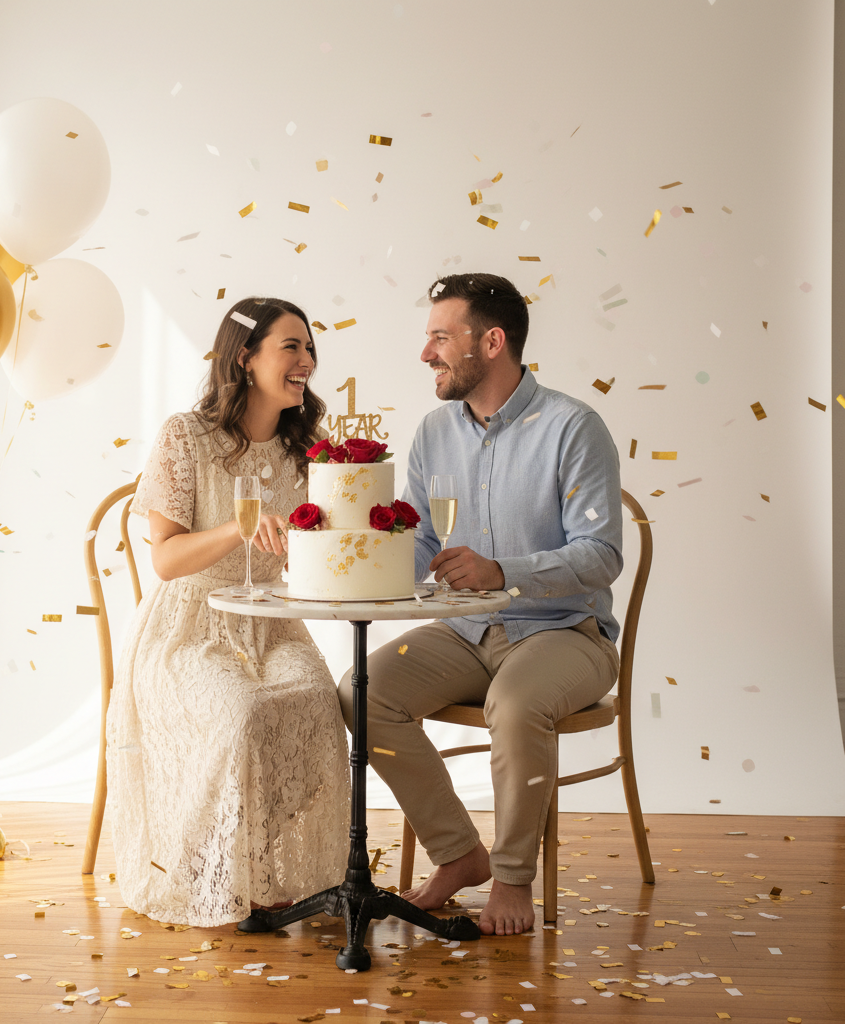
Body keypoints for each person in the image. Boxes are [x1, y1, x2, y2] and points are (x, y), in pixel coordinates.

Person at [338, 273, 622, 936]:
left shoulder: (574, 427)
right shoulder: (434, 433)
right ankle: (460, 853)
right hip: (465, 633)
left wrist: (505, 572)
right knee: (360, 690)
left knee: (517, 704)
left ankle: (514, 877)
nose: (425, 353)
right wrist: (353, 567)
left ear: (492, 342)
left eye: (441, 336)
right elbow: (423, 547)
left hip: (564, 633)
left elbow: (601, 555)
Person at [107, 297, 349, 928]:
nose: (306, 362)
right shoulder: (185, 437)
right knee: (242, 713)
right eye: (290, 347)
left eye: (309, 348)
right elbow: (164, 560)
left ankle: (250, 860)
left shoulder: (310, 448)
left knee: (317, 705)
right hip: (188, 627)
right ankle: (199, 864)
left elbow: (318, 552)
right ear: (246, 357)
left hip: (271, 623)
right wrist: (241, 529)